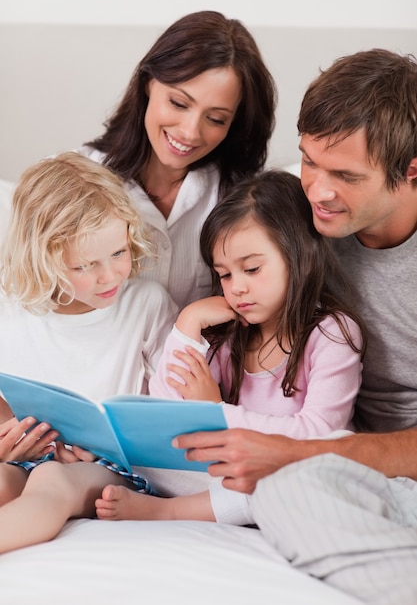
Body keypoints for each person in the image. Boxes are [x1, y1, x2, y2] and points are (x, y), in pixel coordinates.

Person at [171, 49, 417, 604]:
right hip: (341, 469)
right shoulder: (295, 222)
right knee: (281, 495)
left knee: (288, 490)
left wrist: (295, 456)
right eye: (308, 161)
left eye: (347, 176)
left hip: (365, 463)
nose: (318, 191)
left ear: (410, 169)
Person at [94, 169, 366, 525]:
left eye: (251, 269)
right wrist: (188, 323)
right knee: (141, 455)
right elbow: (165, 414)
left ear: (300, 256)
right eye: (225, 275)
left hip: (292, 470)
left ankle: (166, 511)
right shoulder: (231, 334)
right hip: (228, 473)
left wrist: (216, 411)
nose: (236, 287)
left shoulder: (332, 333)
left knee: (301, 475)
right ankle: (203, 503)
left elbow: (319, 434)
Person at [0, 152, 178, 553]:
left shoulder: (146, 305)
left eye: (119, 253)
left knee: (52, 483)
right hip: (27, 458)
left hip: (108, 470)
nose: (110, 274)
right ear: (43, 259)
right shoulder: (9, 307)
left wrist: (98, 451)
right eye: (86, 265)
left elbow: (169, 415)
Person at [77, 10, 277, 311]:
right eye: (179, 103)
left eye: (216, 119)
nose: (190, 132)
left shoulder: (242, 198)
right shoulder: (81, 177)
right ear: (148, 83)